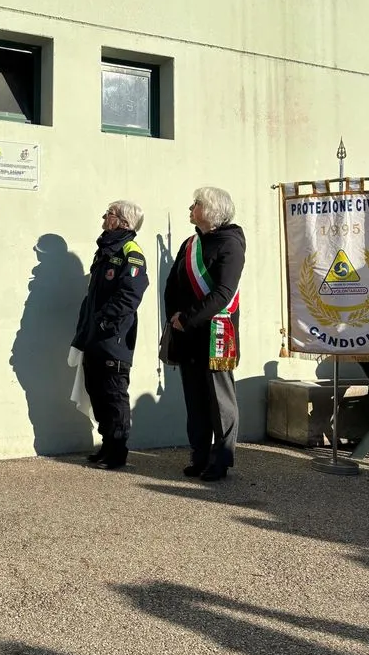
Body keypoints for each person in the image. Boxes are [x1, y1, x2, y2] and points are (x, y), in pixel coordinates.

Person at [164, 186, 246, 481]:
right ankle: (199, 456)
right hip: (187, 333)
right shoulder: (190, 244)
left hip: (216, 334)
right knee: (195, 400)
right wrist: (173, 318)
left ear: (211, 210)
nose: (190, 207)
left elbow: (224, 293)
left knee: (219, 400)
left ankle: (221, 460)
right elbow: (172, 285)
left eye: (196, 203)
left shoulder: (230, 244)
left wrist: (187, 318)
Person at [71, 200, 149, 469]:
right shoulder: (105, 249)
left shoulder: (131, 251)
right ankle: (106, 445)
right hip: (94, 335)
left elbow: (131, 294)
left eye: (110, 214)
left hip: (114, 337)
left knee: (114, 393)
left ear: (123, 222)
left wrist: (105, 321)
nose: (104, 217)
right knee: (96, 389)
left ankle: (118, 451)